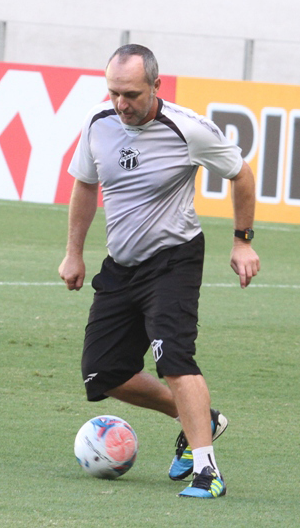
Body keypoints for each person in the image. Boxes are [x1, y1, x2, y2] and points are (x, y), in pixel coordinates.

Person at [58, 44, 260, 499]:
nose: (121, 104)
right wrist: (74, 252)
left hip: (174, 260)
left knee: (174, 359)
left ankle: (208, 470)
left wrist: (242, 241)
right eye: (113, 92)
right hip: (121, 266)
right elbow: (86, 185)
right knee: (102, 373)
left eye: (130, 93)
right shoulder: (99, 122)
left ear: (156, 85)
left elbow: (241, 174)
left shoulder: (187, 128)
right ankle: (199, 418)